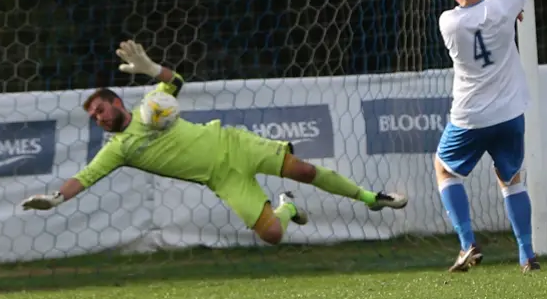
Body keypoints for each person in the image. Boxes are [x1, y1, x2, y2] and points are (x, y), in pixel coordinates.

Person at [21, 41, 408, 243]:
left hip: (232, 144)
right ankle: (287, 209)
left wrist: (151, 68)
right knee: (273, 234)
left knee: (303, 170)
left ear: (116, 102)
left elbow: (176, 83)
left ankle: (373, 199)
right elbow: (85, 178)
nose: (100, 118)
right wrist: (56, 198)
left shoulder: (149, 105)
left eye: (101, 110)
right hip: (221, 179)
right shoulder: (117, 150)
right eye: (94, 117)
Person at [434, 0, 544, 273]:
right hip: (509, 113)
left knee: (445, 169)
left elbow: (473, 20)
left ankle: (467, 243)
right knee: (512, 179)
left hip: (469, 116)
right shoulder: (503, 6)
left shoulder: (448, 22)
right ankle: (527, 253)